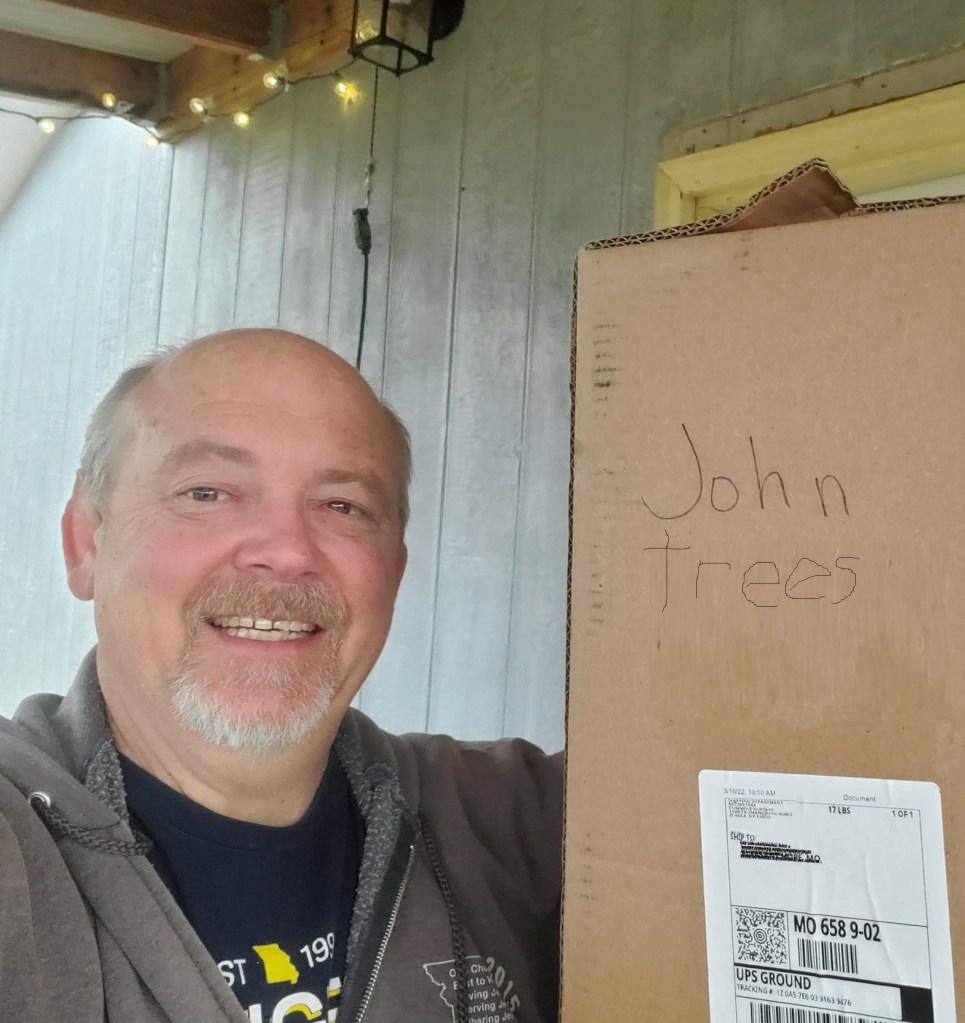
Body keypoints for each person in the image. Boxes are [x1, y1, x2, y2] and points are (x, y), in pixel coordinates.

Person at [0, 329, 562, 1023]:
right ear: (85, 542)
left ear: (393, 572)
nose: (289, 551)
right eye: (207, 492)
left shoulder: (516, 825)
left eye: (342, 506)